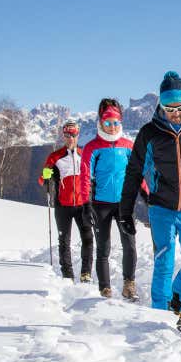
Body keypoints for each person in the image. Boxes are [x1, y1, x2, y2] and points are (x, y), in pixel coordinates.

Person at [118, 71, 181, 320]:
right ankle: (159, 318)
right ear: (160, 106)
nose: (175, 113)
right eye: (169, 108)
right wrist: (125, 211)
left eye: (180, 107)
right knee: (163, 264)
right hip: (161, 207)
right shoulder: (150, 133)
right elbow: (133, 172)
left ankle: (177, 302)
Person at [81, 99, 139, 300]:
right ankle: (105, 288)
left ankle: (129, 284)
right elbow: (85, 176)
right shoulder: (92, 147)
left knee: (129, 245)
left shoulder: (128, 145)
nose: (112, 127)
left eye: (115, 123)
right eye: (107, 123)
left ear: (120, 122)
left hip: (124, 204)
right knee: (103, 247)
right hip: (100, 205)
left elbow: (136, 173)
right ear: (100, 123)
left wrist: (146, 193)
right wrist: (86, 204)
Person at [39, 118, 93, 282]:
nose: (71, 138)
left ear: (78, 135)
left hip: (83, 204)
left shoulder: (85, 154)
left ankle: (86, 273)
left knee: (88, 238)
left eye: (74, 134)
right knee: (64, 241)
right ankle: (67, 275)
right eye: (67, 134)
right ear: (63, 136)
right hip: (63, 204)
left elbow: (92, 177)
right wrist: (48, 177)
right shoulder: (55, 156)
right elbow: (42, 179)